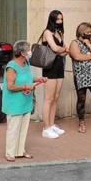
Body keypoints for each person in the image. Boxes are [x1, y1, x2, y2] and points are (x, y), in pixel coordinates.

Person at [3, 41, 47, 162]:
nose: (30, 52)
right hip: (14, 103)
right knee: (13, 128)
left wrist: (39, 79)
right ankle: (10, 153)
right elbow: (10, 86)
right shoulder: (11, 67)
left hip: (25, 101)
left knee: (23, 128)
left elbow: (28, 77)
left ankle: (20, 151)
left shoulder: (26, 63)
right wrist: (26, 87)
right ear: (22, 53)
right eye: (28, 50)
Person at [40, 11, 68, 140]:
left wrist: (62, 50)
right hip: (49, 67)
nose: (60, 21)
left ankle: (51, 125)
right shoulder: (47, 32)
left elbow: (62, 52)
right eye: (57, 19)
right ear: (52, 20)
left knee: (56, 97)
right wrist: (62, 49)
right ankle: (46, 128)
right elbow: (55, 48)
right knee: (49, 98)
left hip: (59, 65)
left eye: (61, 19)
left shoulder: (60, 33)